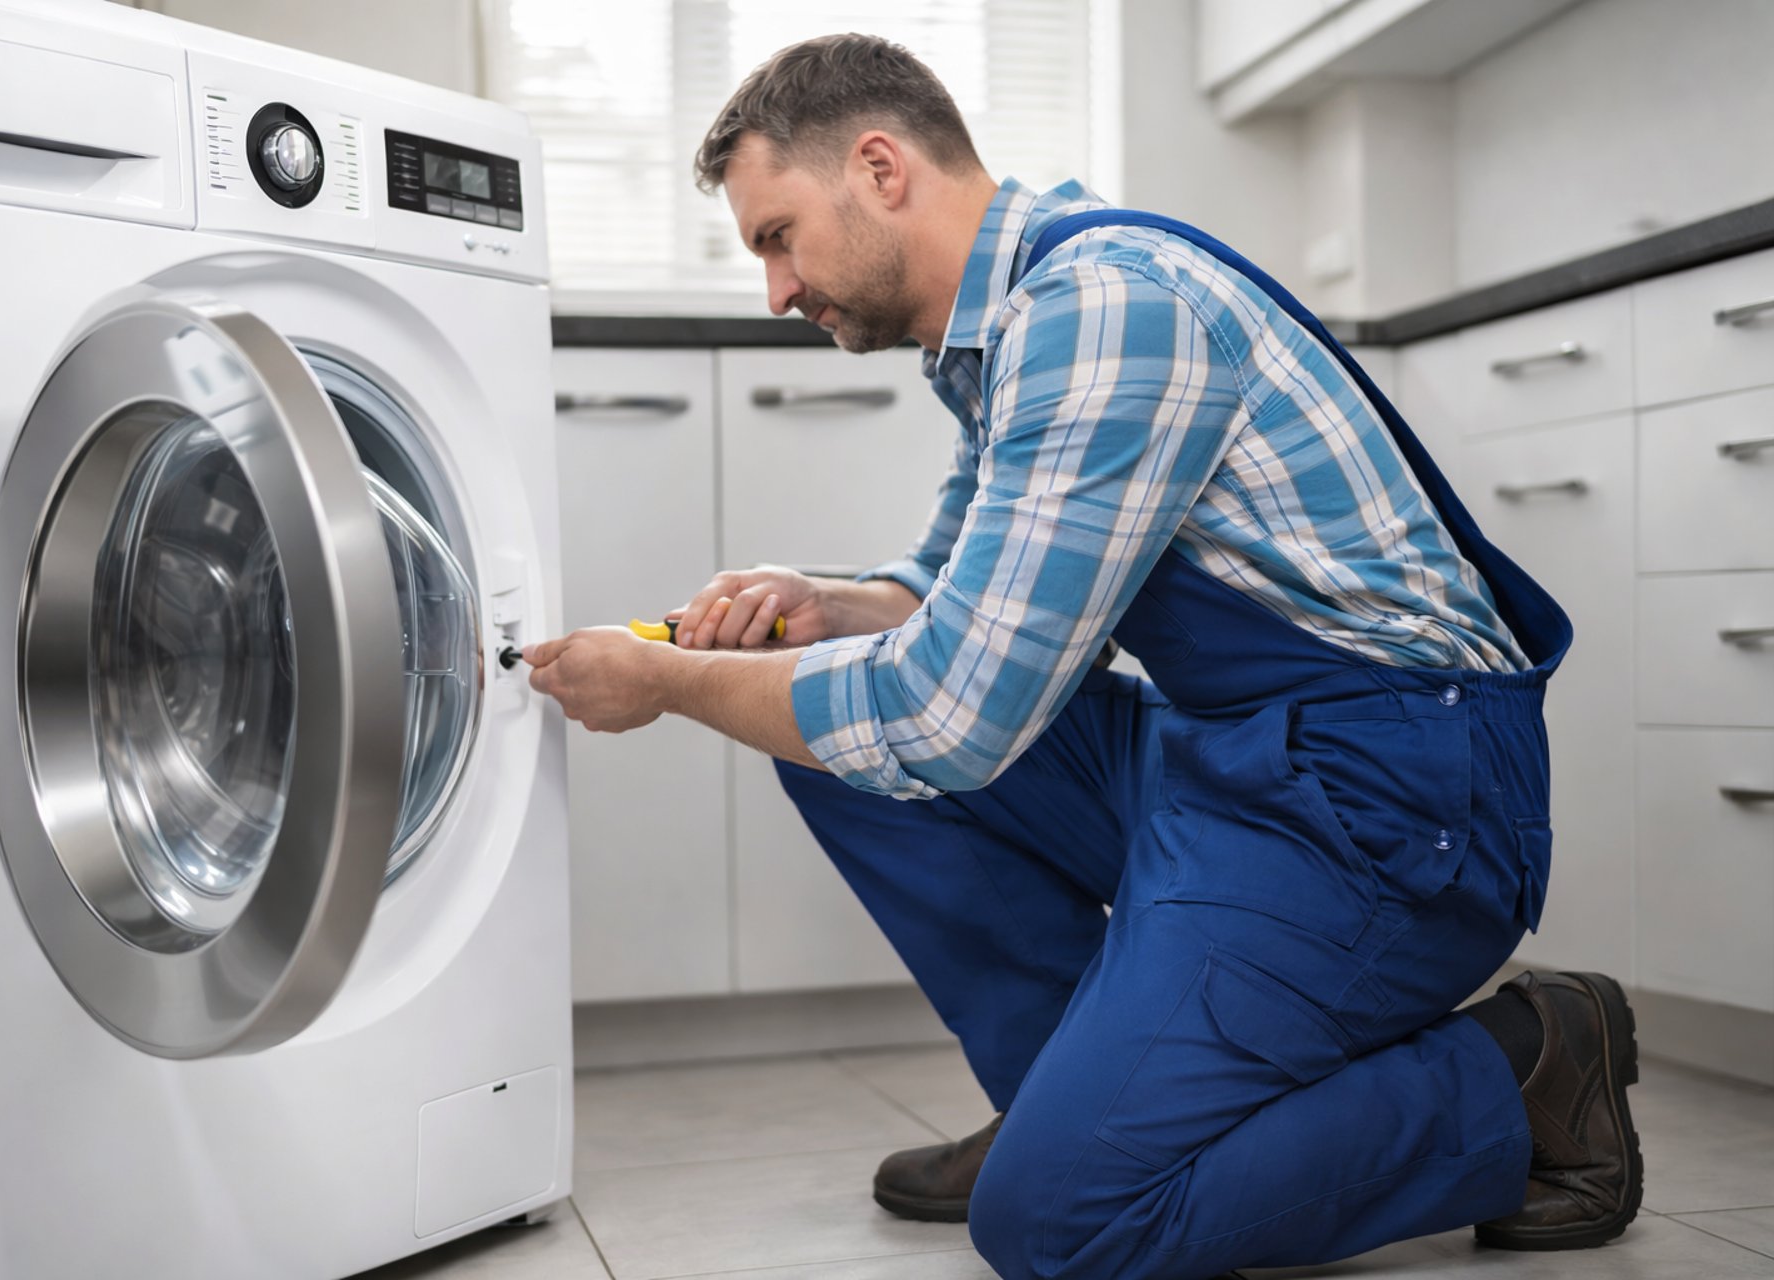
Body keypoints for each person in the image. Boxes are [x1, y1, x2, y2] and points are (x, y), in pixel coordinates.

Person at [523, 33, 1642, 1280]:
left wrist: (675, 684)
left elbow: (949, 717)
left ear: (879, 167)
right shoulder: (1007, 327)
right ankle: (1073, 1093)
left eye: (776, 235)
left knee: (1060, 1224)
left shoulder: (1104, 308)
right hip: (1249, 757)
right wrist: (826, 600)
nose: (777, 290)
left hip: (1395, 802)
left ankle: (1526, 1071)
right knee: (832, 740)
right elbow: (943, 591)